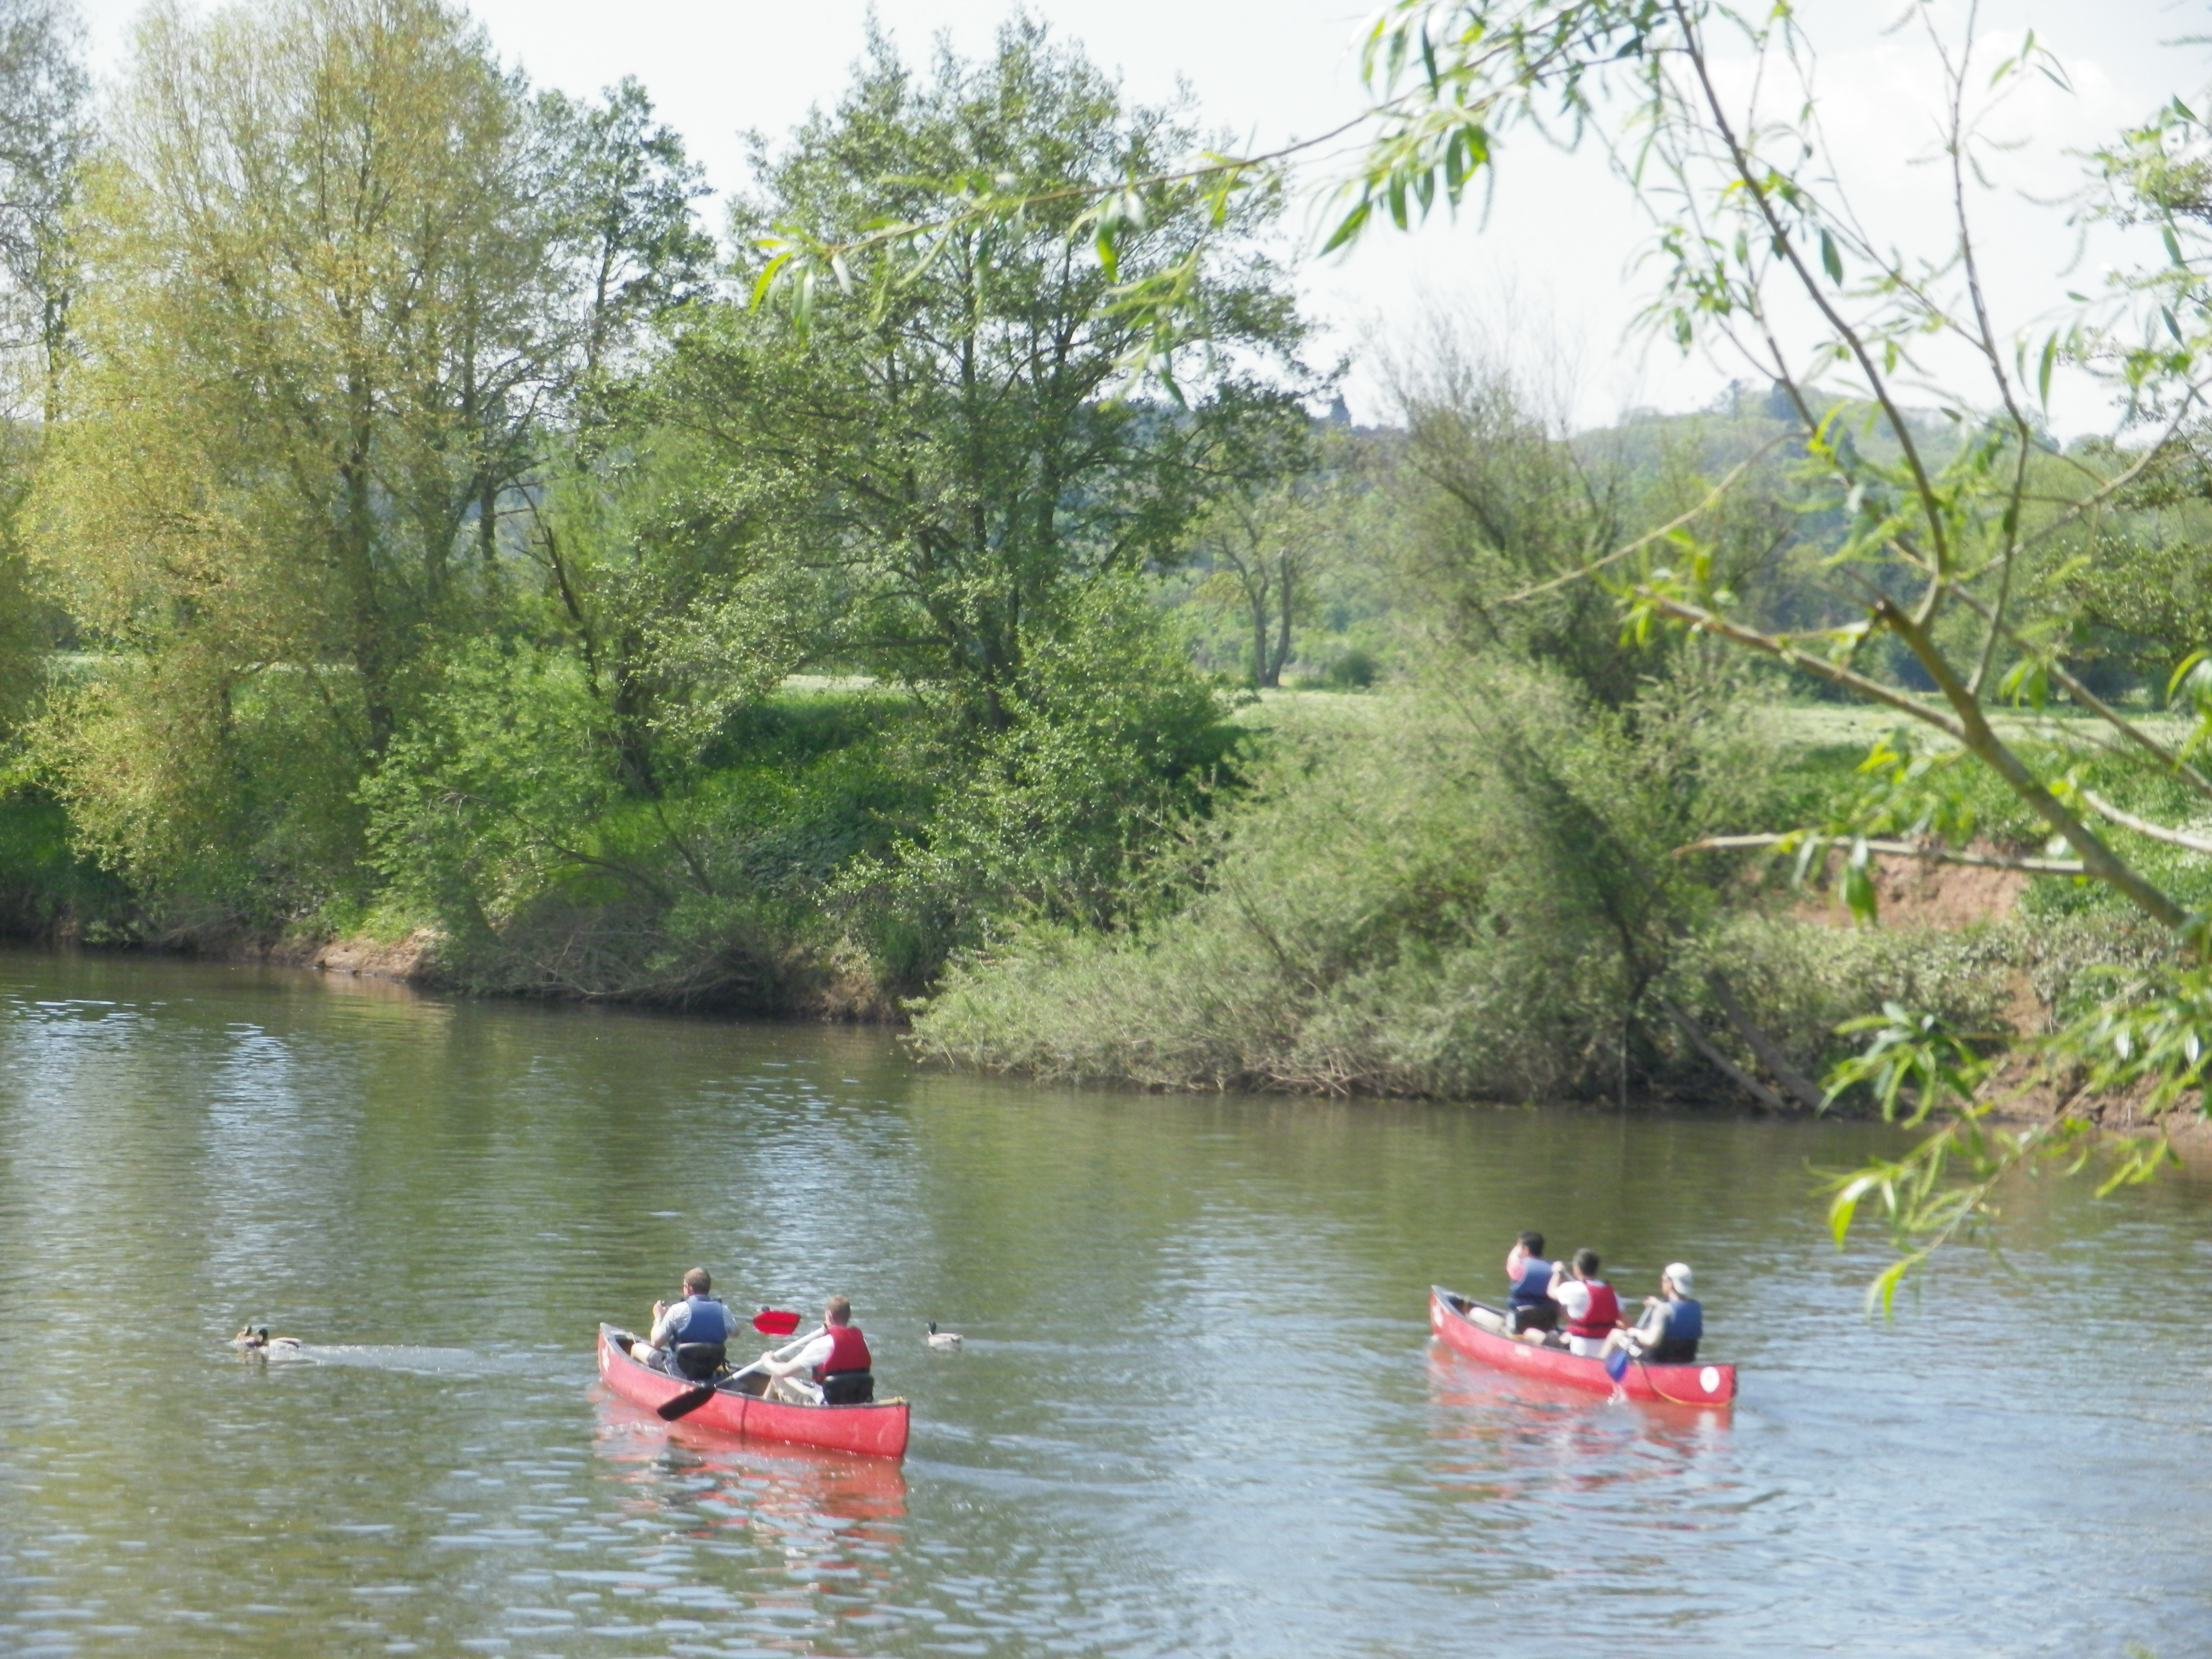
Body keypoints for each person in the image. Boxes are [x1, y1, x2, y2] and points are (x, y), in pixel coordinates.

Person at [755, 1294, 874, 1405]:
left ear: (829, 1315)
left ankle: (761, 1411)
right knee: (787, 1377)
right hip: (857, 1402)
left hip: (824, 1405)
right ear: (849, 1316)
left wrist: (768, 1362)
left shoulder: (822, 1344)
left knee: (777, 1377)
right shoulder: (862, 1341)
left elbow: (784, 1372)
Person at [1601, 1262, 1703, 1366]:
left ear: (1670, 1283)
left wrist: (1636, 1332)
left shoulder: (1663, 1310)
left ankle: (1596, 1370)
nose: (1662, 1284)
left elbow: (1652, 1341)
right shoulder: (1696, 1308)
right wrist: (1659, 1305)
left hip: (1654, 1362)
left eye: (1663, 1281)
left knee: (1615, 1335)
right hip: (1685, 1360)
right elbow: (1675, 1314)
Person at [643, 1267, 735, 1380]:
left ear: (689, 1288)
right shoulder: (723, 1310)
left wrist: (659, 1318)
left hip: (678, 1370)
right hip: (709, 1370)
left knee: (636, 1348)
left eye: (684, 1286)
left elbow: (656, 1343)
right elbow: (736, 1333)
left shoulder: (677, 1310)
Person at [1527, 1247, 1619, 1358]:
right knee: (1566, 1333)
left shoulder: (1574, 1288)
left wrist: (1557, 1273)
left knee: (1530, 1332)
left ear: (1577, 1269)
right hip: (1605, 1350)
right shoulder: (1611, 1292)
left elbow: (1551, 1292)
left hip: (1579, 1350)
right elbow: (1626, 1322)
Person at [1503, 1229, 1559, 1334]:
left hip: (1520, 1321)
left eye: (1519, 1246)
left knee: (1479, 1314)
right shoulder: (1554, 1270)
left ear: (1526, 1250)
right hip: (1545, 1321)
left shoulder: (1519, 1267)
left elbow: (1511, 1260)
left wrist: (1517, 1249)